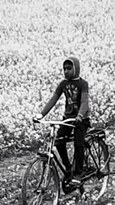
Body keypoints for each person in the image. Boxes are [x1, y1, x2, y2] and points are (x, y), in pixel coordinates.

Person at [34, 56, 90, 186]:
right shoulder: (63, 84)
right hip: (68, 118)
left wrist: (80, 115)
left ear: (76, 69)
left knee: (78, 144)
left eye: (69, 68)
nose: (66, 71)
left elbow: (84, 102)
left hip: (81, 120)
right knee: (58, 142)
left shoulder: (83, 84)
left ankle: (78, 173)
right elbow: (53, 99)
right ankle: (68, 167)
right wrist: (41, 115)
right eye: (64, 69)